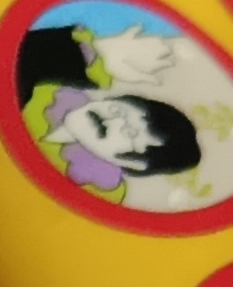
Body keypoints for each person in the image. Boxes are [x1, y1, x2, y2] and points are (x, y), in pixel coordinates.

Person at [15, 21, 203, 194]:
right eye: (118, 110)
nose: (114, 121)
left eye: (130, 132)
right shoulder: (49, 90)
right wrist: (96, 53)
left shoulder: (90, 189)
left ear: (134, 164)